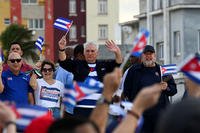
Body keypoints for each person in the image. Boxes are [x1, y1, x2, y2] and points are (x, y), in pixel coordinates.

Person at [58, 35, 122, 117]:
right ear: (84, 53)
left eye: (92, 51)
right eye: (87, 51)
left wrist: (117, 52)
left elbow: (118, 63)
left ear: (97, 53)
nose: (90, 53)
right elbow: (63, 61)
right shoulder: (78, 64)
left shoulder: (103, 65)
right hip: (80, 109)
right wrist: (61, 49)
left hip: (99, 109)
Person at [123, 45, 177, 133]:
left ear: (154, 55)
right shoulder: (134, 70)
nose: (148, 56)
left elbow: (174, 90)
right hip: (140, 114)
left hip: (160, 115)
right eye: (146, 54)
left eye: (150, 54)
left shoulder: (162, 70)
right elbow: (127, 90)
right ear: (142, 56)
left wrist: (166, 87)